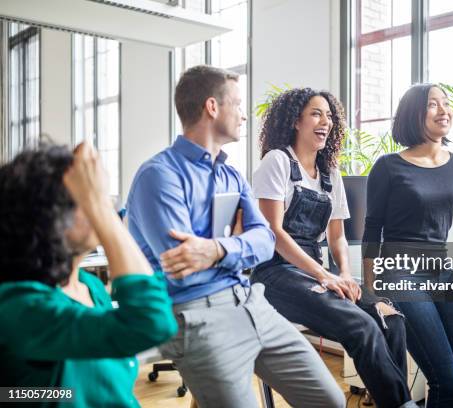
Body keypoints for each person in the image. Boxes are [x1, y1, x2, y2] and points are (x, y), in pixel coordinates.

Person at [126, 65, 344, 408]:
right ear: (213, 107)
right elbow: (184, 266)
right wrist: (239, 247)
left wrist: (215, 249)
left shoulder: (231, 175)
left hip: (250, 301)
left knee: (330, 399)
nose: (244, 116)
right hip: (198, 315)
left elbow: (266, 240)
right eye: (238, 105)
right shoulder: (159, 176)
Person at [251, 87, 416, 408]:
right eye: (316, 113)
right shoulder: (278, 162)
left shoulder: (329, 173)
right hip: (275, 275)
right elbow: (273, 232)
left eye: (329, 115)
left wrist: (344, 275)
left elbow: (336, 236)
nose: (325, 120)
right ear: (295, 121)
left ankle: (393, 402)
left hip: (317, 273)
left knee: (391, 318)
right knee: (362, 326)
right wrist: (324, 276)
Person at [0, 142, 177, 407]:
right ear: (48, 217)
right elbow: (151, 321)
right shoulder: (18, 306)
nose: (102, 205)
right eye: (86, 198)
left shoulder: (90, 286)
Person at [362, 83, 453, 408]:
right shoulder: (388, 166)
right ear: (413, 114)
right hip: (400, 273)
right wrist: (372, 292)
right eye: (433, 104)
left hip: (441, 271)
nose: (443, 110)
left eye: (446, 104)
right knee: (448, 378)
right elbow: (372, 230)